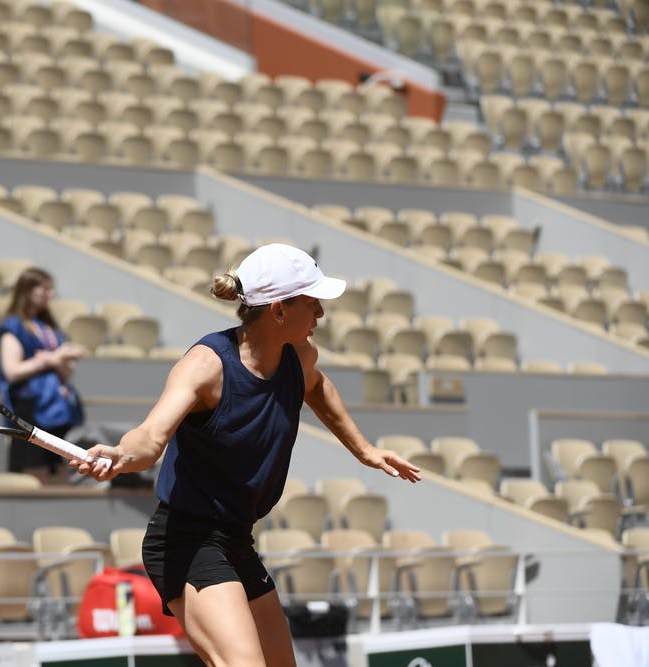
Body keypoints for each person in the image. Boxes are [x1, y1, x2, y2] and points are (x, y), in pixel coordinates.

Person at [72, 243, 421, 666]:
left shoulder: (299, 356)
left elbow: (316, 386)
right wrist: (122, 456)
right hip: (187, 540)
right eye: (312, 304)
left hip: (236, 539)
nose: (321, 316)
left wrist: (363, 449)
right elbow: (150, 436)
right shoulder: (206, 366)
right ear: (277, 311)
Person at [0, 266, 86, 484]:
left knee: (60, 466)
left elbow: (65, 370)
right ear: (27, 290)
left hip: (56, 407)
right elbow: (12, 371)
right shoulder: (14, 326)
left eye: (51, 289)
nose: (50, 294)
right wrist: (46, 360)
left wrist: (62, 359)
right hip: (30, 406)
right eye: (44, 289)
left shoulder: (49, 327)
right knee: (33, 468)